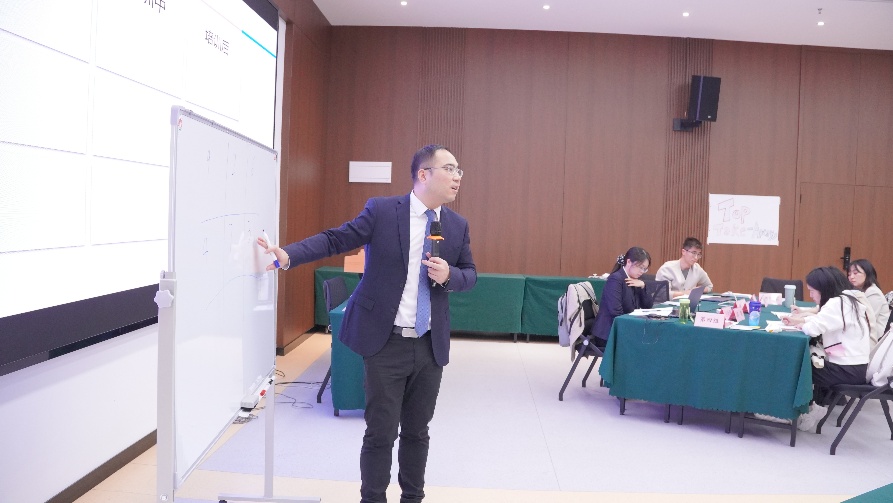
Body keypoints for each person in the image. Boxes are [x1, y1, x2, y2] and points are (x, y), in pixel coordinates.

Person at [257, 144, 476, 503]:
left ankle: (412, 498)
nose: (457, 177)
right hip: (385, 342)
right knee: (380, 433)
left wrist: (450, 274)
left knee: (418, 432)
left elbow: (471, 274)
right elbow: (336, 238)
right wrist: (289, 254)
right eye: (450, 169)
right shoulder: (383, 211)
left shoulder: (456, 225)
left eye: (459, 171)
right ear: (423, 174)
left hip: (429, 346)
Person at [783, 266, 872, 432]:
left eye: (812, 291)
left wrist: (802, 323)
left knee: (795, 366)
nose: (811, 295)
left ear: (823, 288)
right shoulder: (847, 300)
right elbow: (822, 320)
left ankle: (805, 410)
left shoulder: (837, 303)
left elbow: (813, 329)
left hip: (847, 371)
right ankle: (807, 407)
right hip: (855, 368)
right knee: (802, 362)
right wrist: (801, 321)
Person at [591, 247, 654, 349]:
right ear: (629, 262)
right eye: (640, 267)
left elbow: (648, 305)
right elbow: (615, 312)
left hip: (624, 327)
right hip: (609, 333)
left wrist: (643, 286)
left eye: (645, 269)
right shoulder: (615, 279)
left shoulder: (635, 279)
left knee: (652, 339)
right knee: (647, 344)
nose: (642, 271)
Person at [847, 258, 890, 347]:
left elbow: (866, 320)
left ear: (867, 273)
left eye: (855, 273)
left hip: (872, 340)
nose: (851, 277)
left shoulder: (873, 292)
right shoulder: (859, 291)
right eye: (849, 274)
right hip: (861, 334)